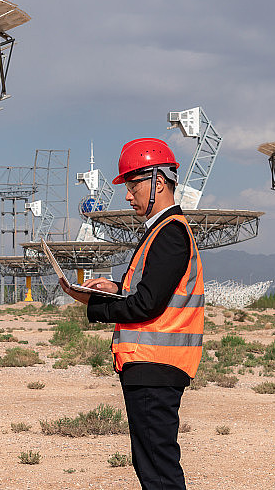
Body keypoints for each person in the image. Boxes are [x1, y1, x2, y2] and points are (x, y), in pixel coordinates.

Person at [60, 138, 204, 490]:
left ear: (157, 181)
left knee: (158, 471)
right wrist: (112, 288)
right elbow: (145, 293)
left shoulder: (170, 234)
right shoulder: (159, 232)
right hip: (150, 366)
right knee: (153, 465)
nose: (127, 195)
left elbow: (147, 305)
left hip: (156, 365)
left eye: (132, 184)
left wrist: (92, 304)